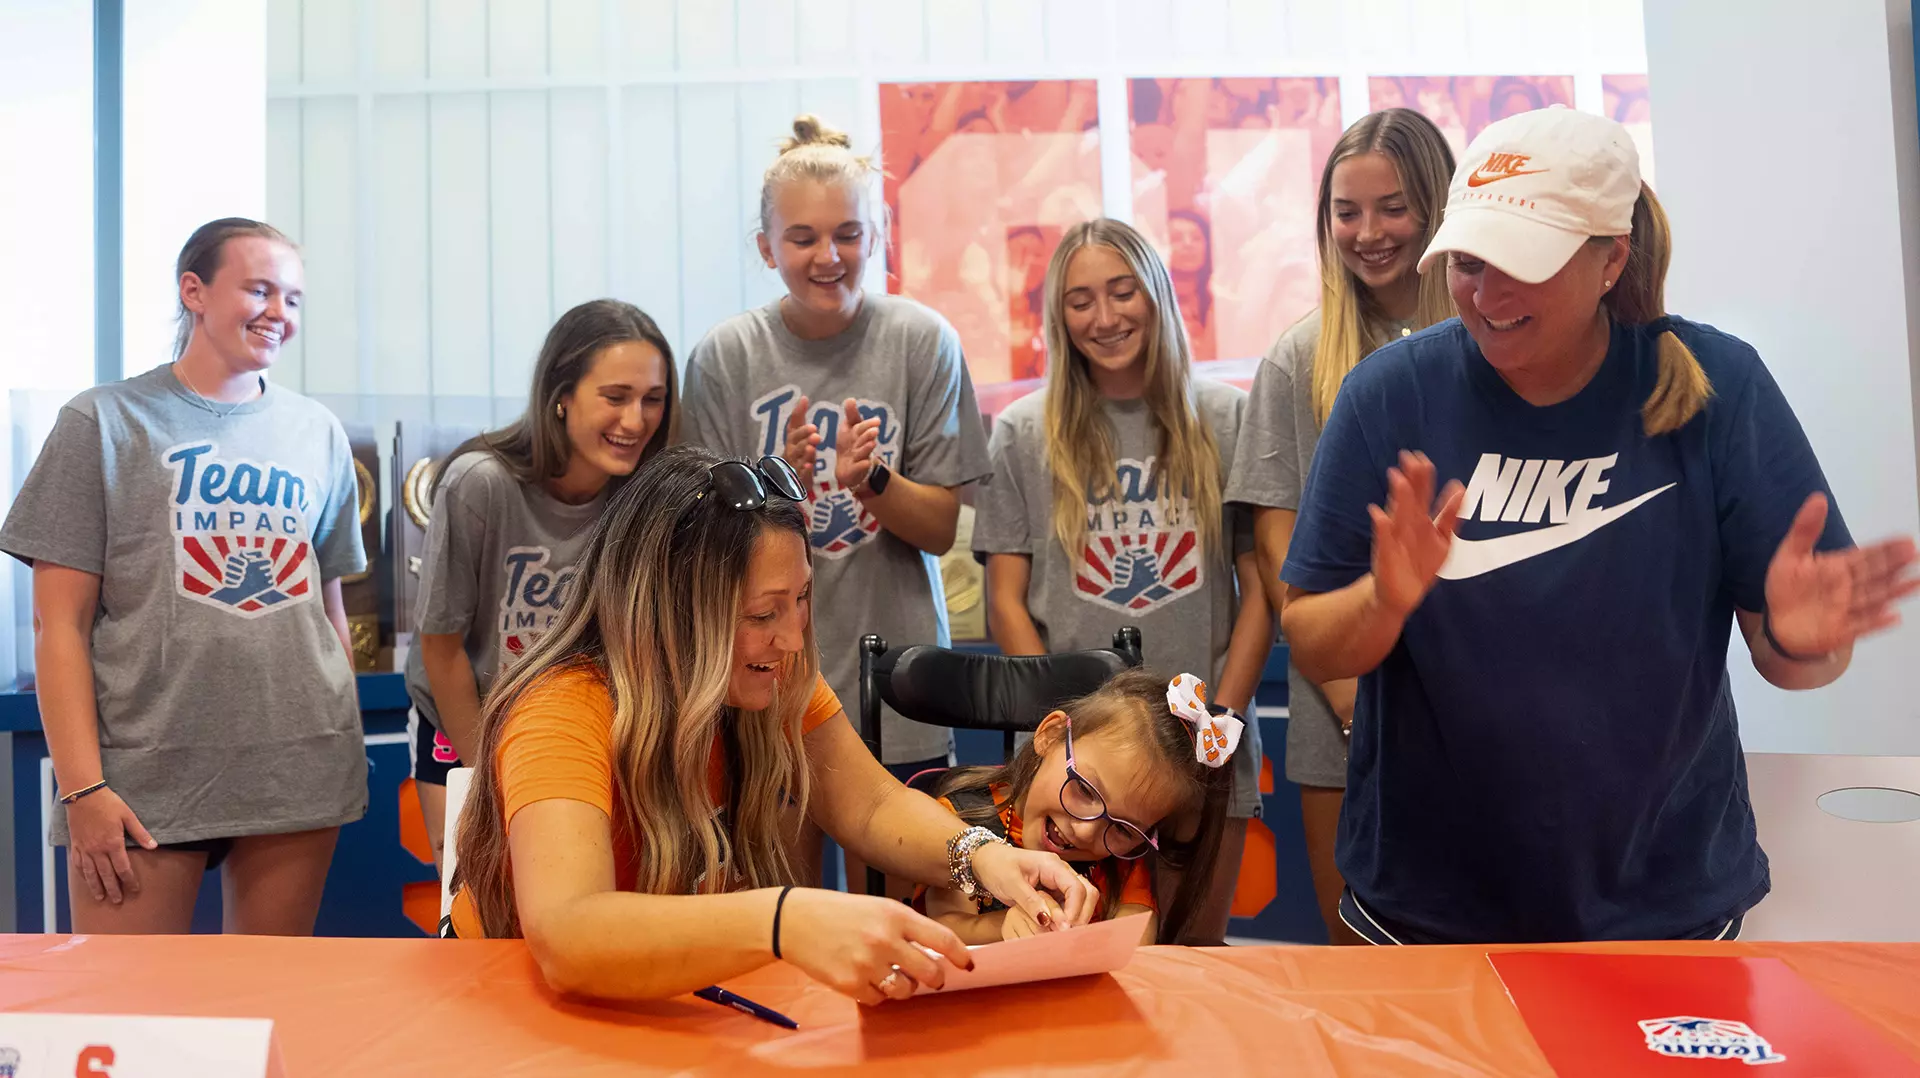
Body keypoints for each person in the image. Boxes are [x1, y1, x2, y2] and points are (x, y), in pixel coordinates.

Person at [1279, 106, 1920, 944]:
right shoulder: (1388, 394)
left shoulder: (1714, 386)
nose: (1487, 294)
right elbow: (1314, 641)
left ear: (1612, 257)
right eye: (1469, 264)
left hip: (1662, 903)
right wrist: (1383, 604)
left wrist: (1801, 641)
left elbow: (1798, 661)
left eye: (1522, 265)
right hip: (1425, 908)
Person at [445, 444, 1097, 1005]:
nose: (791, 638)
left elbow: (868, 805)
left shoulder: (770, 675)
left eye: (802, 600)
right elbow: (568, 936)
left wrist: (986, 858)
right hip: (517, 1007)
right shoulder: (563, 708)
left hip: (661, 998)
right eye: (763, 613)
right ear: (673, 612)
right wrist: (783, 920)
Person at [0, 218, 366, 934]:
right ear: (192, 291)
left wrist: (340, 735)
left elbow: (328, 613)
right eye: (258, 289)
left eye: (292, 298)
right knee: (129, 1017)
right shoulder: (103, 422)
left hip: (298, 765)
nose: (278, 314)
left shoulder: (315, 431)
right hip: (144, 778)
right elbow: (59, 627)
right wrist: (83, 790)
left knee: (269, 1009)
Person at [680, 114, 992, 890]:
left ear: (877, 235)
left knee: (906, 917)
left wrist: (874, 483)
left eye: (848, 234)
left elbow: (942, 526)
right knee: (785, 915)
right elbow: (695, 541)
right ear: (767, 248)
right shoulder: (725, 356)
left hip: (902, 681)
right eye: (803, 237)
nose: (828, 257)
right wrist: (770, 487)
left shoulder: (924, 341)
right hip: (764, 681)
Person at [971, 218, 1269, 944]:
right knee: (1071, 965)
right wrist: (1063, 740)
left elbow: (1262, 590)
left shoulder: (1227, 416)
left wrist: (1217, 731)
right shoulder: (1022, 431)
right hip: (1081, 774)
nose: (1104, 318)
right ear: (1058, 317)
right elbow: (1006, 601)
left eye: (1121, 291)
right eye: (1080, 301)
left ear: (1157, 294)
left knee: (1194, 962)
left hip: (1208, 753)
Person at [1223, 108, 1455, 945]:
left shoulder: (1495, 338)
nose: (1368, 233)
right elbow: (1281, 549)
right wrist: (1351, 695)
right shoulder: (1299, 358)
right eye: (1345, 212)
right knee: (1361, 956)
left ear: (1438, 204)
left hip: (1480, 694)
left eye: (1392, 207)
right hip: (1341, 704)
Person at [405, 299, 676, 869]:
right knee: (479, 913)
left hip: (581, 737)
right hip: (468, 728)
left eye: (652, 399)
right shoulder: (480, 484)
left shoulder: (644, 495)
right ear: (562, 394)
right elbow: (441, 648)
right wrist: (490, 778)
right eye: (615, 397)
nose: (635, 420)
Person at [920, 669, 1238, 946]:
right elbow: (940, 927)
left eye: (1123, 828)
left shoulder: (1120, 860)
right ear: (1051, 735)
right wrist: (1003, 926)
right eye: (1085, 789)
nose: (1086, 831)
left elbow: (1136, 944)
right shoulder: (960, 819)